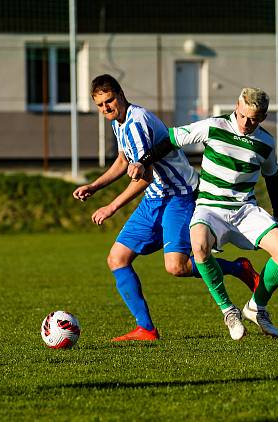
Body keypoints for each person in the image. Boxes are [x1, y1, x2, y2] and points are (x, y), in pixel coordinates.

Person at [73, 74, 260, 342]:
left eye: (110, 101)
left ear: (121, 95)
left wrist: (111, 206)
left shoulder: (137, 123)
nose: (106, 108)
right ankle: (146, 329)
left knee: (176, 267)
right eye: (100, 105)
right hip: (156, 197)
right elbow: (123, 160)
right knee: (117, 259)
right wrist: (95, 186)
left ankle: (238, 268)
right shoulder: (120, 122)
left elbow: (144, 176)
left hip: (179, 195)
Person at [127, 87, 278, 341]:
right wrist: (144, 160)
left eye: (255, 119)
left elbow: (272, 176)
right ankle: (228, 311)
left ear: (263, 118)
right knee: (199, 245)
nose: (248, 124)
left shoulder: (266, 143)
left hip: (245, 209)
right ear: (236, 107)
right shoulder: (213, 127)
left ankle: (256, 307)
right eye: (244, 117)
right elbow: (172, 138)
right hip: (209, 207)